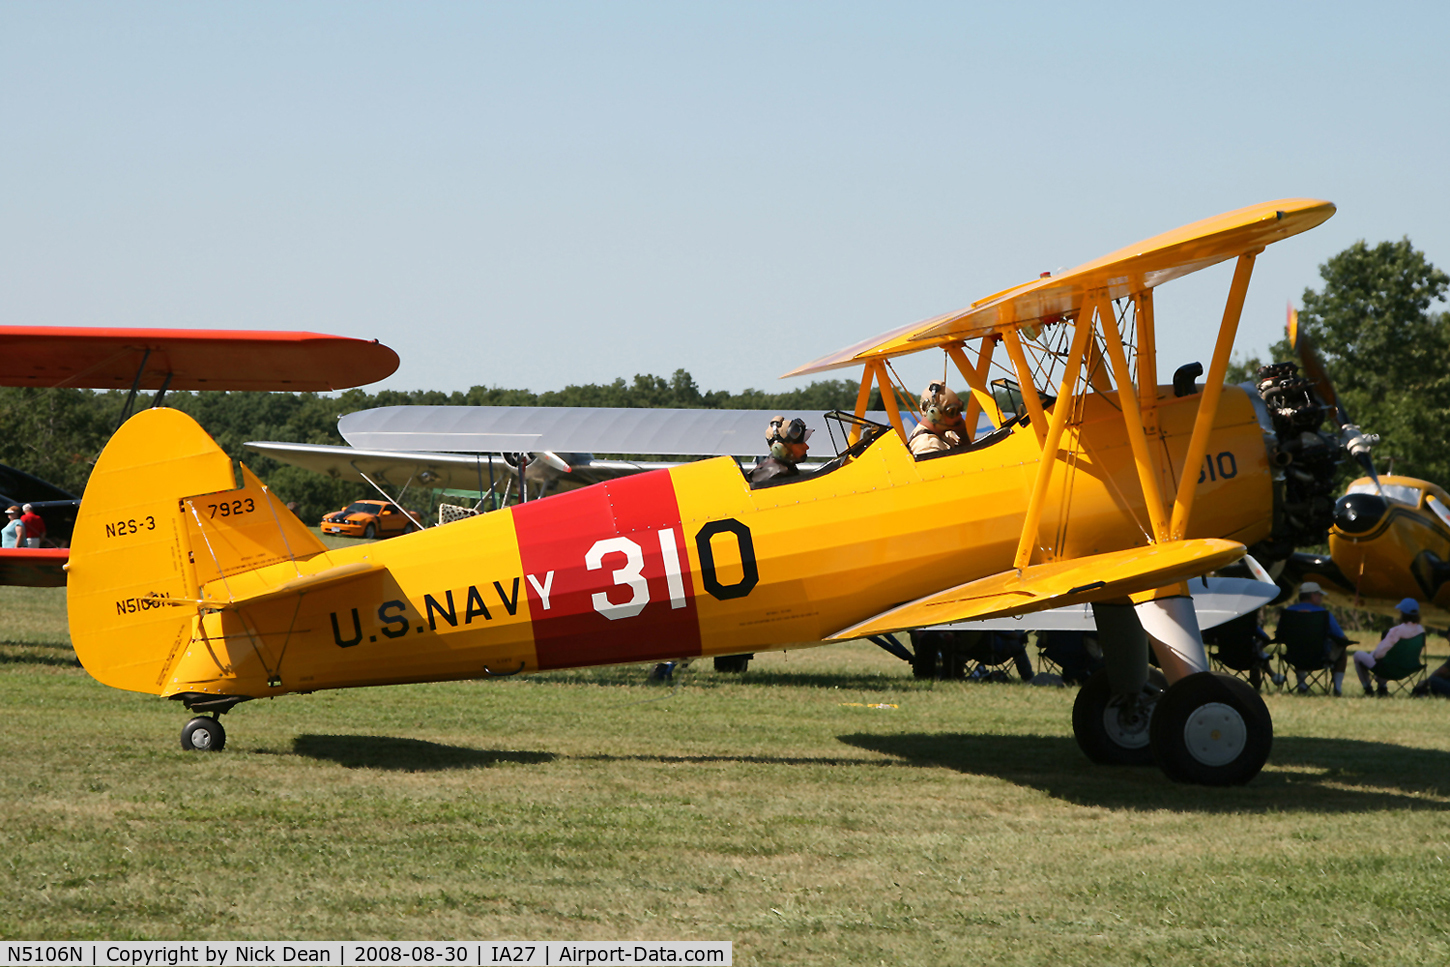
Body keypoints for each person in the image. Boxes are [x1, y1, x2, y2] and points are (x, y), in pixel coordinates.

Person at [1282, 581, 1352, 695]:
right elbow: (1341, 637)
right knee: (1342, 652)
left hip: (1294, 657)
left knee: (1300, 647)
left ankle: (1301, 685)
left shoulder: (1288, 612)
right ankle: (1338, 688)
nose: (1321, 598)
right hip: (1320, 657)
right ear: (1312, 595)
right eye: (1319, 595)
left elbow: (1280, 635)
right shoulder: (1323, 614)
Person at [1353, 598, 1424, 696]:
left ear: (1402, 613)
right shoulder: (1421, 631)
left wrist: (1374, 655)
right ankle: (1382, 688)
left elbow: (1379, 654)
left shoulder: (1396, 631)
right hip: (1409, 668)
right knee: (1385, 658)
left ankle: (1368, 688)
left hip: (1390, 670)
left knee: (1358, 655)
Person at [908, 382, 968, 456]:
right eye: (952, 412)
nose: (959, 416)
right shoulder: (928, 445)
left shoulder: (945, 435)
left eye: (959, 410)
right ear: (934, 414)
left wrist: (963, 435)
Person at [748, 416, 812, 485]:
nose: (806, 447)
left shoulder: (769, 466)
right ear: (780, 449)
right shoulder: (780, 476)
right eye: (800, 443)